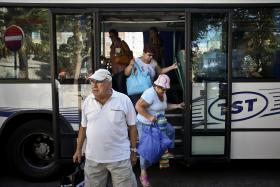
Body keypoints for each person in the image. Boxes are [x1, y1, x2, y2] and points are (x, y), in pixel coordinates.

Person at [73, 68, 138, 187]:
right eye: (92, 82)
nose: (94, 85)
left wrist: (133, 151)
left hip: (120, 159)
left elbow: (133, 127)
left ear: (110, 83)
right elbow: (83, 127)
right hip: (93, 159)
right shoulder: (88, 101)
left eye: (99, 82)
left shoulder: (124, 100)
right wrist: (78, 149)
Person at [135, 74, 184, 187]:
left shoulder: (163, 94)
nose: (163, 90)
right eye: (161, 88)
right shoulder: (150, 94)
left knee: (170, 130)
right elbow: (138, 106)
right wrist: (149, 117)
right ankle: (143, 174)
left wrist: (177, 106)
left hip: (158, 123)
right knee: (146, 150)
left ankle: (165, 152)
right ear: (156, 85)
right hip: (145, 124)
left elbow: (163, 106)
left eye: (165, 88)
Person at [109, 29, 133, 94]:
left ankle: (124, 103)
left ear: (116, 35)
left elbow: (117, 54)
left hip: (120, 70)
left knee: (120, 89)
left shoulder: (118, 43)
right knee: (118, 89)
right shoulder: (113, 45)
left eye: (112, 36)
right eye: (110, 37)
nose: (111, 38)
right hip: (116, 71)